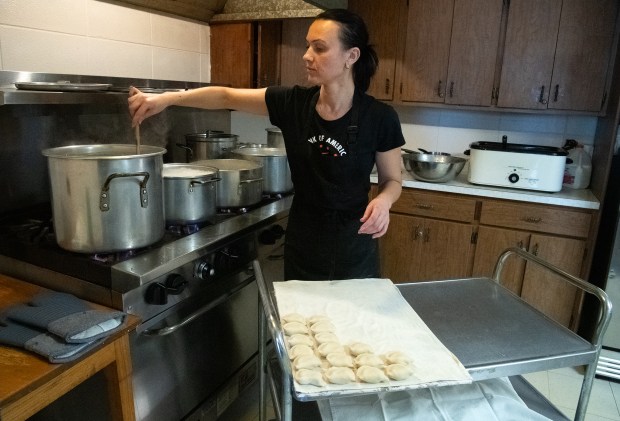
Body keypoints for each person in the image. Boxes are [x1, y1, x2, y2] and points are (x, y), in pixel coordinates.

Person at [128, 8, 405, 281]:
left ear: (351, 56)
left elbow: (393, 179)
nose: (307, 56)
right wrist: (165, 99)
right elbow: (226, 97)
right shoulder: (292, 103)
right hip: (304, 243)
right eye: (308, 46)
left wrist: (383, 201)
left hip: (355, 245)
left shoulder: (380, 117)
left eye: (319, 48)